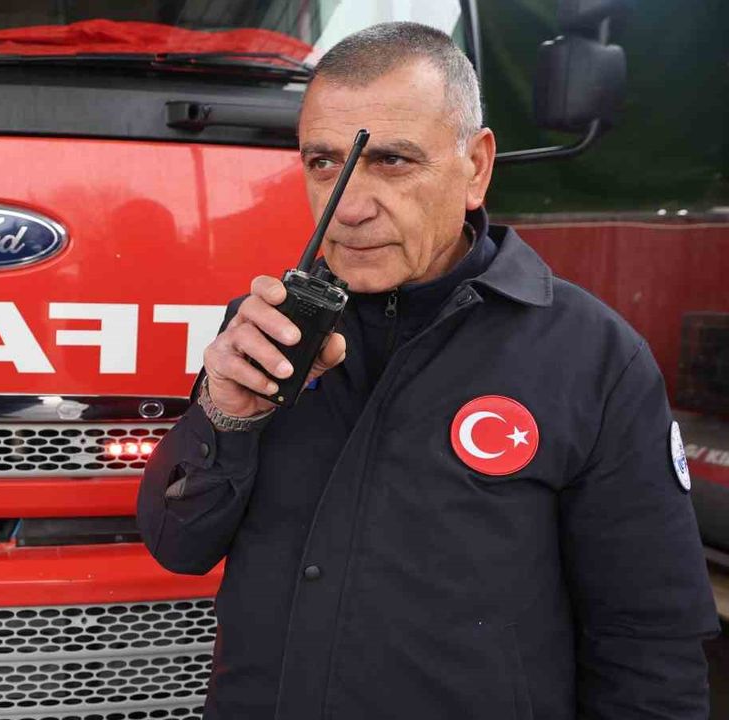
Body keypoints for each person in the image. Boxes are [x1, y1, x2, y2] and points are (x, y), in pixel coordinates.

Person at [136, 21, 719, 720]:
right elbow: (178, 546)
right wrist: (225, 418)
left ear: (475, 167)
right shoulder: (267, 332)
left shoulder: (591, 358)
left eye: (392, 161)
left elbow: (649, 647)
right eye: (323, 162)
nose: (350, 207)